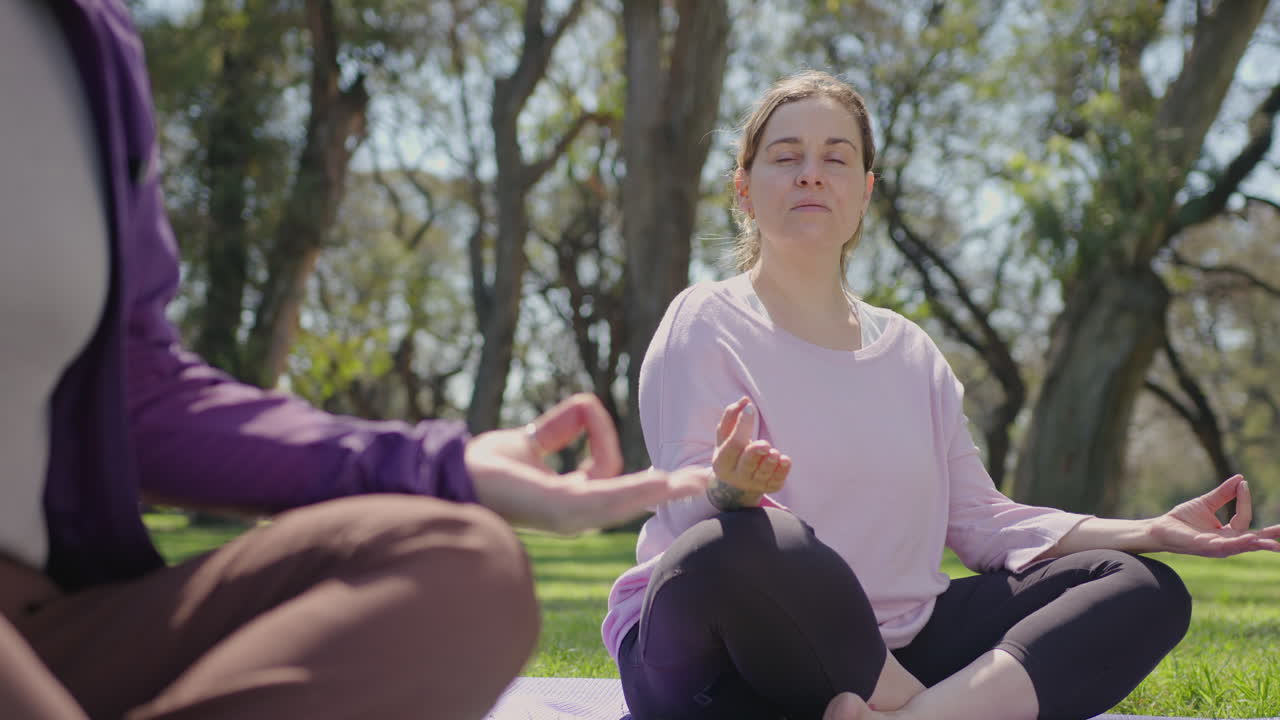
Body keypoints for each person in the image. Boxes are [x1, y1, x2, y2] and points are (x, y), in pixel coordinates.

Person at [0, 1, 706, 719]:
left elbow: (137, 394)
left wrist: (449, 469)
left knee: (462, 570)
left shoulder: (85, 36)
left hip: (54, 625)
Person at [602, 70, 1280, 720]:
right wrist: (729, 490)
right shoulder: (706, 319)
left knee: (1140, 585)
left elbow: (981, 519)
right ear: (745, 190)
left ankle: (913, 716)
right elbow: (695, 513)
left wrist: (1150, 531)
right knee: (746, 540)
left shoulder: (910, 352)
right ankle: (919, 704)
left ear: (864, 192)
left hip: (897, 642)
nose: (811, 172)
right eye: (786, 156)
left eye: (835, 159)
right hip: (719, 665)